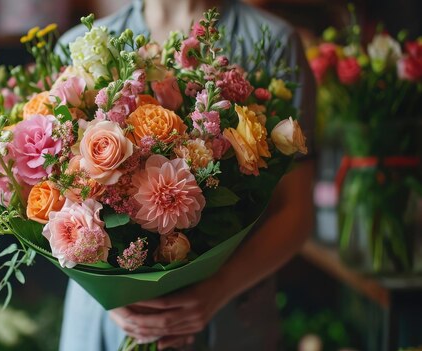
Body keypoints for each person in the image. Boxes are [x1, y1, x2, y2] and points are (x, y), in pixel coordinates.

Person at [58, 0, 316, 349]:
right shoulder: (81, 45)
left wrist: (217, 290)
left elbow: (296, 211)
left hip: (231, 314)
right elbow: (51, 203)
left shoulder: (274, 42)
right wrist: (111, 295)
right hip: (106, 321)